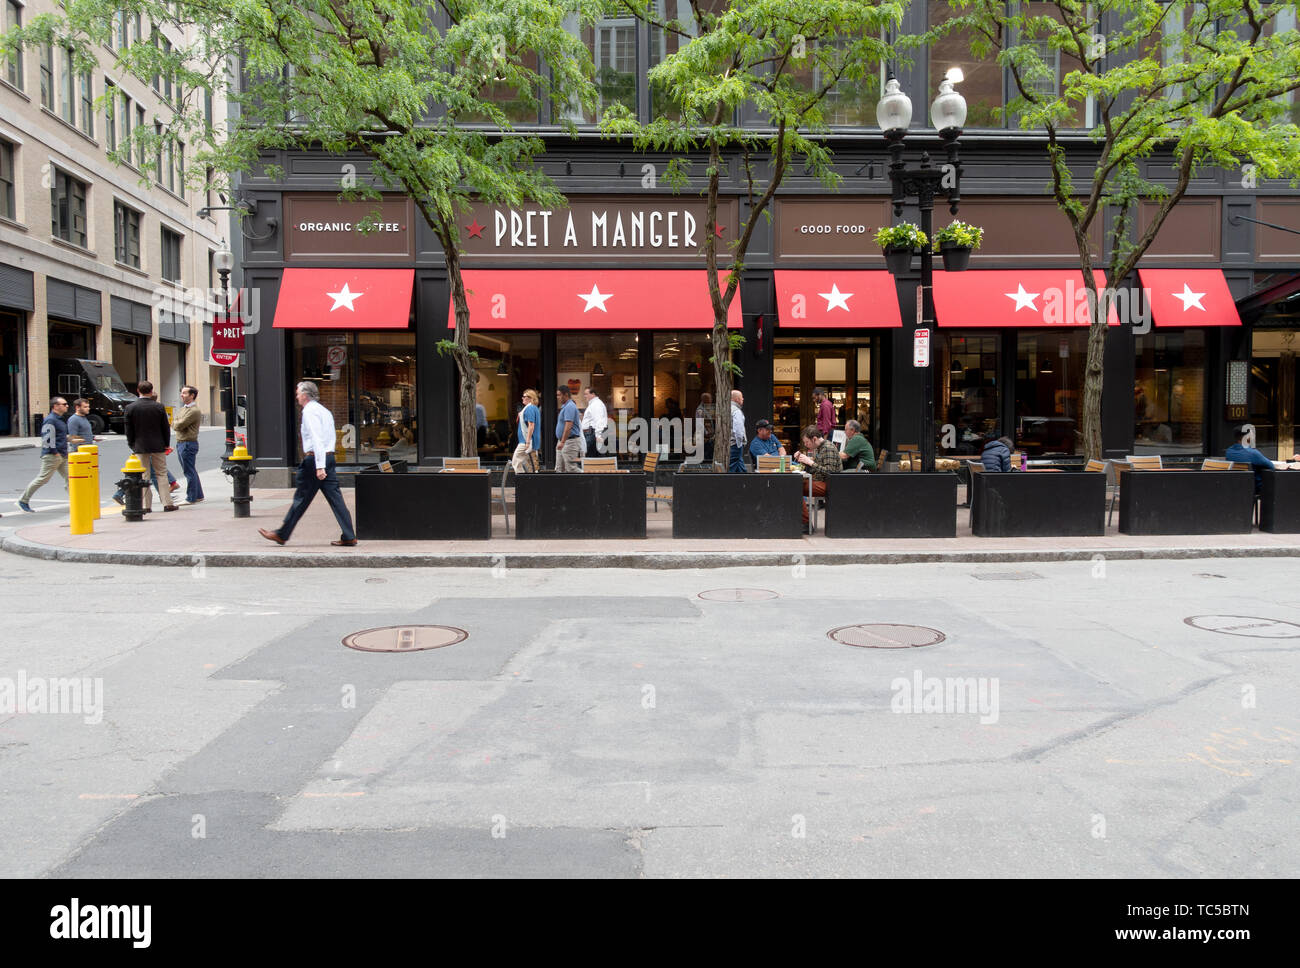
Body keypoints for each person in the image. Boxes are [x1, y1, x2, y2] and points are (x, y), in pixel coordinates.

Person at [260, 381, 357, 546]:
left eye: (298, 393)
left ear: (305, 395)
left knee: (301, 498)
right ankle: (349, 535)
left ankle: (282, 534)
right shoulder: (324, 411)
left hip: (315, 460)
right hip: (329, 457)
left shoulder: (310, 411)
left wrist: (319, 466)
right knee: (336, 499)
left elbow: (317, 439)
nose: (297, 396)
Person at [124, 381, 177, 512]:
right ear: (151, 391)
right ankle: (167, 503)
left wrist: (132, 444)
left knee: (144, 475)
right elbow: (165, 428)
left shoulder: (130, 408)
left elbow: (128, 429)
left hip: (140, 445)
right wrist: (166, 444)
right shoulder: (159, 407)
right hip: (158, 445)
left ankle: (146, 505)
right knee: (161, 474)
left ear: (138, 390)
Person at [17, 396, 70, 512]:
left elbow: (60, 437)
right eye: (64, 404)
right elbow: (47, 438)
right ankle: (23, 500)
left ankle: (77, 501)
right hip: (52, 455)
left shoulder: (60, 419)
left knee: (71, 478)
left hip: (62, 455)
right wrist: (55, 453)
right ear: (55, 406)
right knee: (42, 479)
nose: (67, 406)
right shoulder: (50, 420)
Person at [793, 424, 843, 530]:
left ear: (814, 439)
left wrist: (810, 463)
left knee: (795, 487)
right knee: (795, 484)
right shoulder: (820, 447)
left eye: (807, 442)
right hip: (822, 481)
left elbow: (831, 473)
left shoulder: (828, 448)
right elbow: (817, 468)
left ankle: (805, 524)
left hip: (831, 485)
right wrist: (804, 461)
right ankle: (803, 522)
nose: (806, 445)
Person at [173, 384, 204, 504]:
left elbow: (178, 425)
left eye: (185, 393)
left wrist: (176, 422)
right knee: (191, 470)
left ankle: (191, 497)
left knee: (188, 471)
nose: (182, 395)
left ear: (192, 395)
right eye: (182, 393)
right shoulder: (184, 409)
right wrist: (176, 422)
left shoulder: (193, 411)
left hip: (187, 443)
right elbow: (174, 422)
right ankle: (198, 495)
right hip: (181, 442)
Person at [1226, 425, 1277, 494]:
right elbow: (1272, 466)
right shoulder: (1253, 453)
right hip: (1255, 488)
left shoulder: (1229, 451)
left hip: (1236, 487)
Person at [511, 389, 541, 474]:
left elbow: (531, 426)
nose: (522, 398)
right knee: (531, 466)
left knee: (516, 462)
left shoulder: (530, 408)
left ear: (530, 398)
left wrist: (527, 442)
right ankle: (530, 483)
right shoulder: (533, 408)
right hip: (529, 441)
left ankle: (522, 481)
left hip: (525, 442)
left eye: (524, 397)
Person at [555, 386, 583, 472]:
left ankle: (587, 481)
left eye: (559, 395)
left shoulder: (570, 406)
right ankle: (561, 485)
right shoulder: (565, 406)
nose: (558, 397)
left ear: (566, 395)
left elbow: (568, 425)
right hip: (563, 441)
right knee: (560, 468)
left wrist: (562, 442)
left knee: (571, 468)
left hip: (570, 441)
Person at [581, 386, 608, 458]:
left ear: (593, 394)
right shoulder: (594, 404)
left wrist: (598, 436)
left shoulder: (596, 404)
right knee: (594, 457)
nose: (584, 396)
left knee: (590, 457)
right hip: (592, 433)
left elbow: (599, 420)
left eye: (586, 394)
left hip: (593, 433)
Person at [728, 389, 747, 473]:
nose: (743, 399)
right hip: (735, 444)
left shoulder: (726, 409)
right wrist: (739, 444)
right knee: (731, 467)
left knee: (740, 466)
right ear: (737, 399)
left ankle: (746, 482)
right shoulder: (736, 411)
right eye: (742, 397)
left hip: (728, 443)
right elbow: (738, 430)